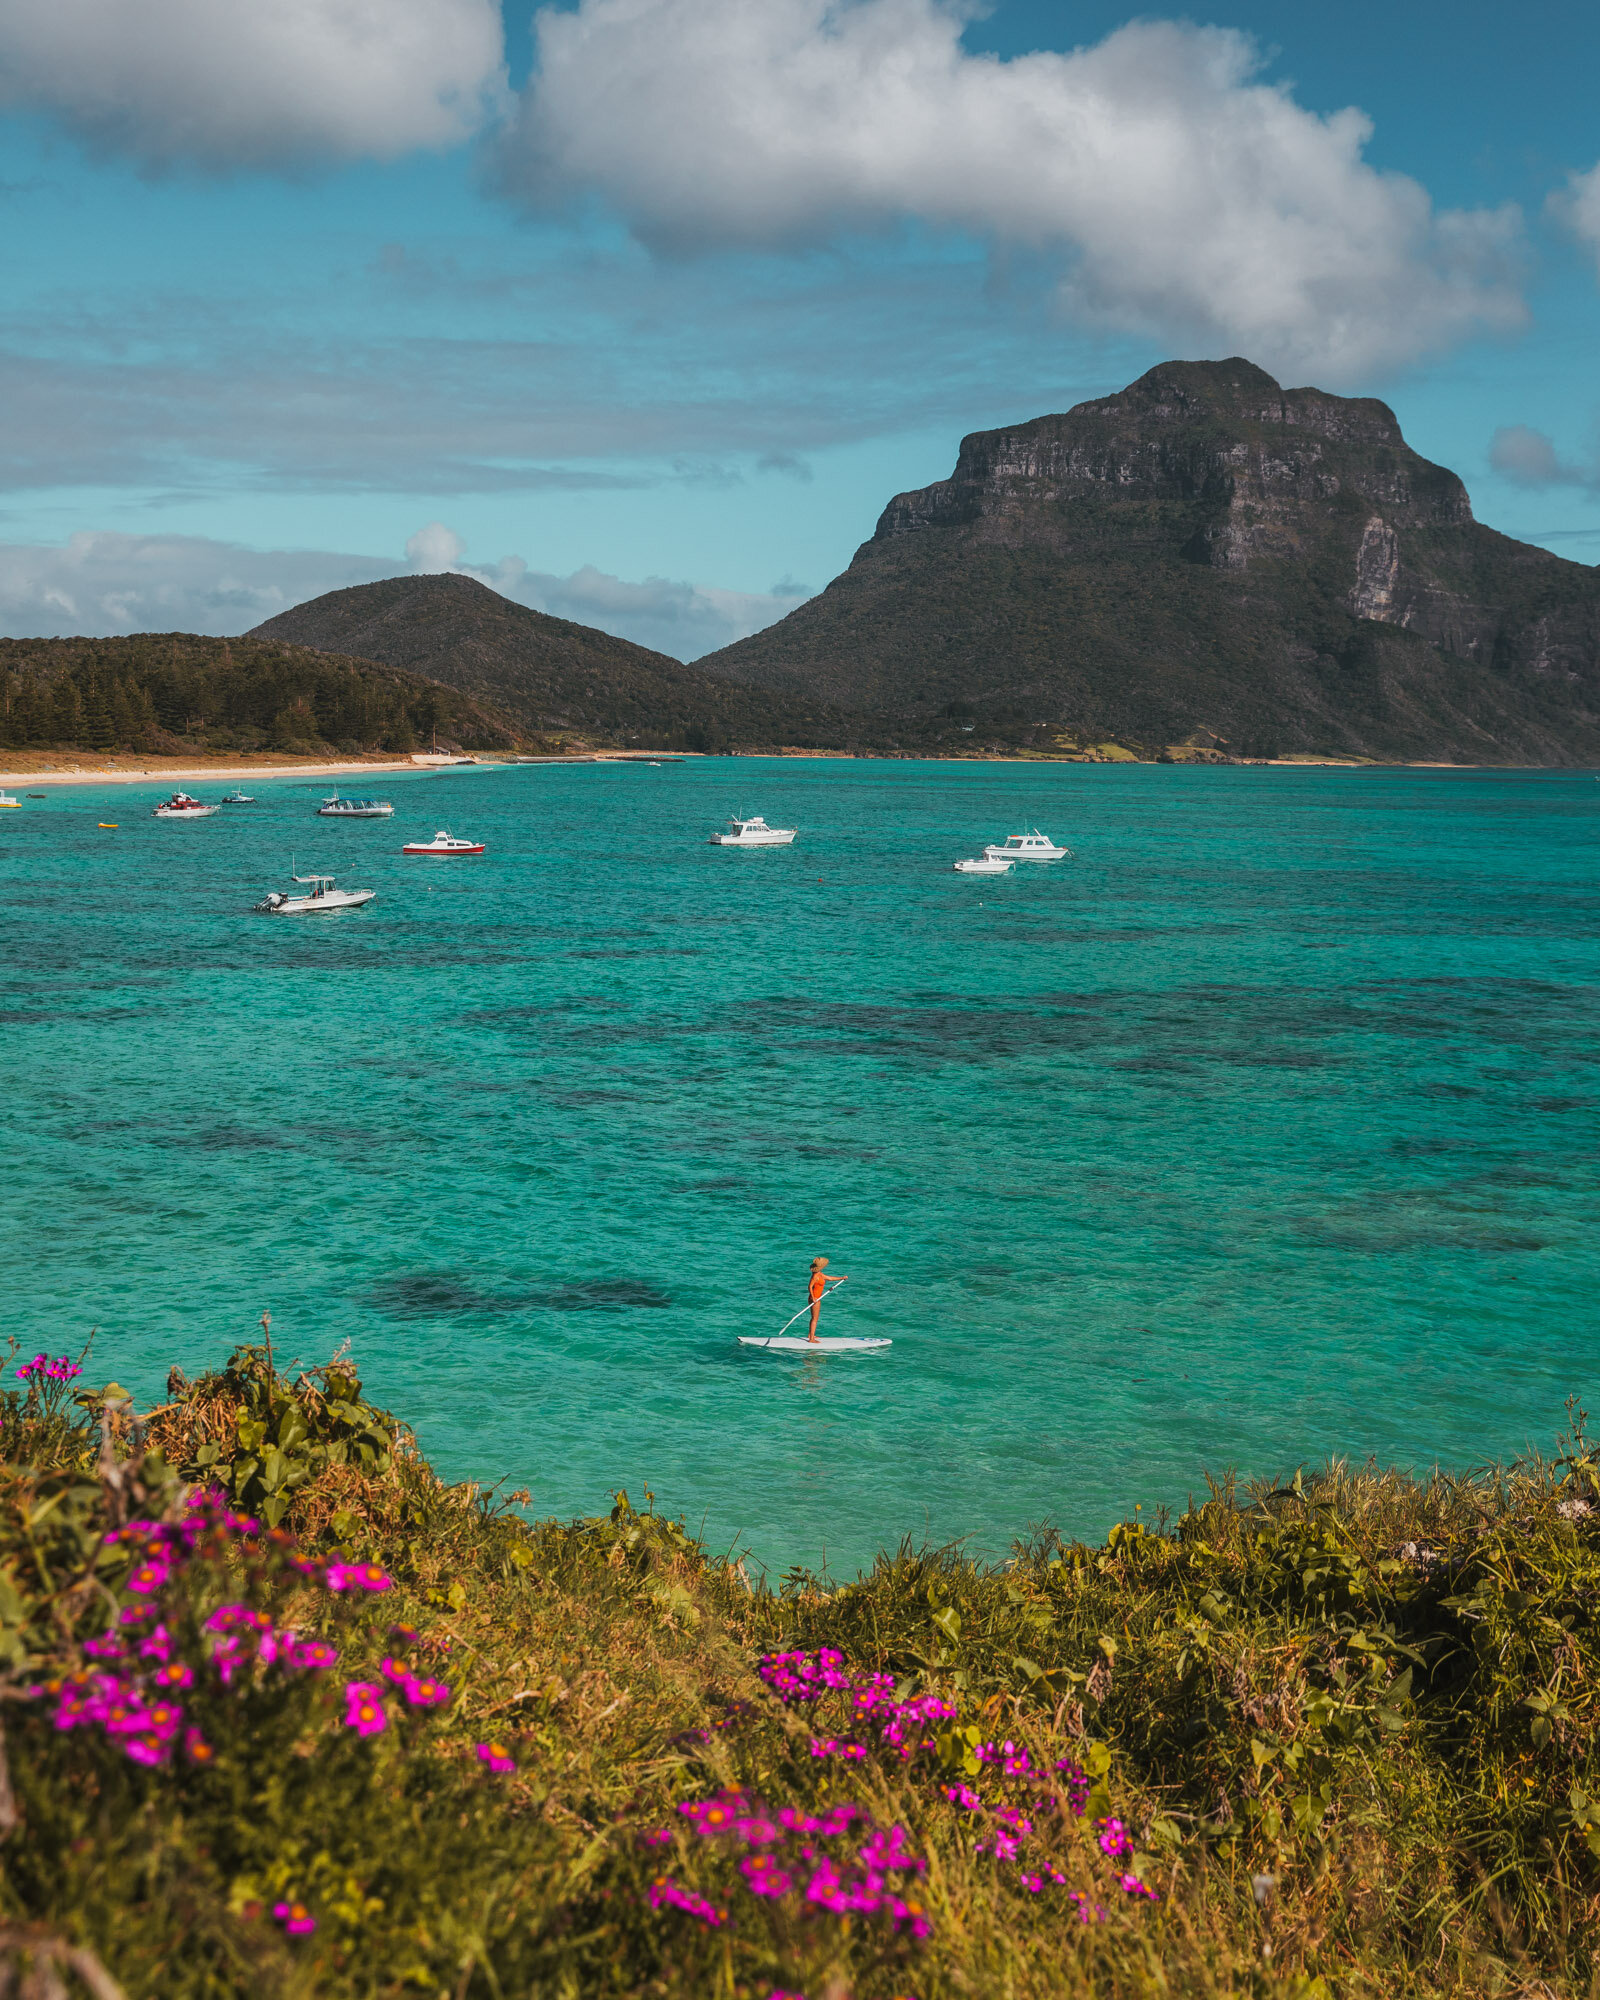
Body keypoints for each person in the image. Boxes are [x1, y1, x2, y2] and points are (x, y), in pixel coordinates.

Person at [806, 1257, 848, 1342]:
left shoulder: (820, 1274)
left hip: (817, 1298)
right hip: (815, 1299)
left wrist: (841, 1278)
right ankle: (811, 1339)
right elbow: (810, 1286)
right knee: (815, 1318)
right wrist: (813, 1297)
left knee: (814, 1317)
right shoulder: (815, 1276)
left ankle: (811, 1334)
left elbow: (830, 1278)